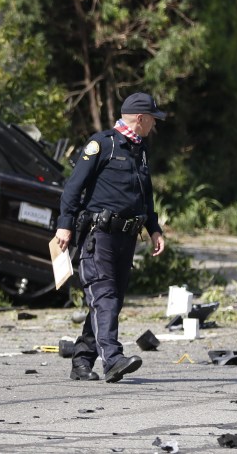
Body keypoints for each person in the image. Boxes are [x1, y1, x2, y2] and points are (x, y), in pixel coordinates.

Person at [54, 92, 167, 383]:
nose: (154, 125)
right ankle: (113, 360)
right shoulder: (102, 144)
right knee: (104, 297)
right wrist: (64, 225)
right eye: (153, 119)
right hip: (99, 236)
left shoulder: (139, 150)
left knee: (109, 301)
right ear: (140, 119)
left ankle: (81, 361)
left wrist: (155, 229)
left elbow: (146, 196)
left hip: (126, 238)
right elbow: (72, 188)